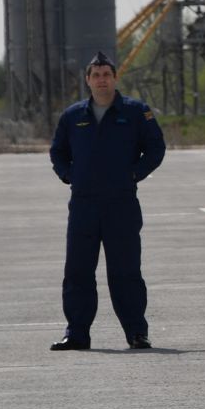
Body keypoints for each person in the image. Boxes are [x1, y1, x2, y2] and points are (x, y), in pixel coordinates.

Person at [47, 51, 166, 350]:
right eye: (96, 75)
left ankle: (136, 333)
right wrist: (68, 175)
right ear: (88, 80)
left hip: (121, 204)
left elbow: (156, 148)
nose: (102, 80)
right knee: (77, 271)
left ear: (115, 78)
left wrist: (134, 175)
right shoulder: (73, 116)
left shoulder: (136, 112)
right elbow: (57, 151)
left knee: (125, 271)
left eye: (106, 75)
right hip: (84, 205)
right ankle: (77, 333)